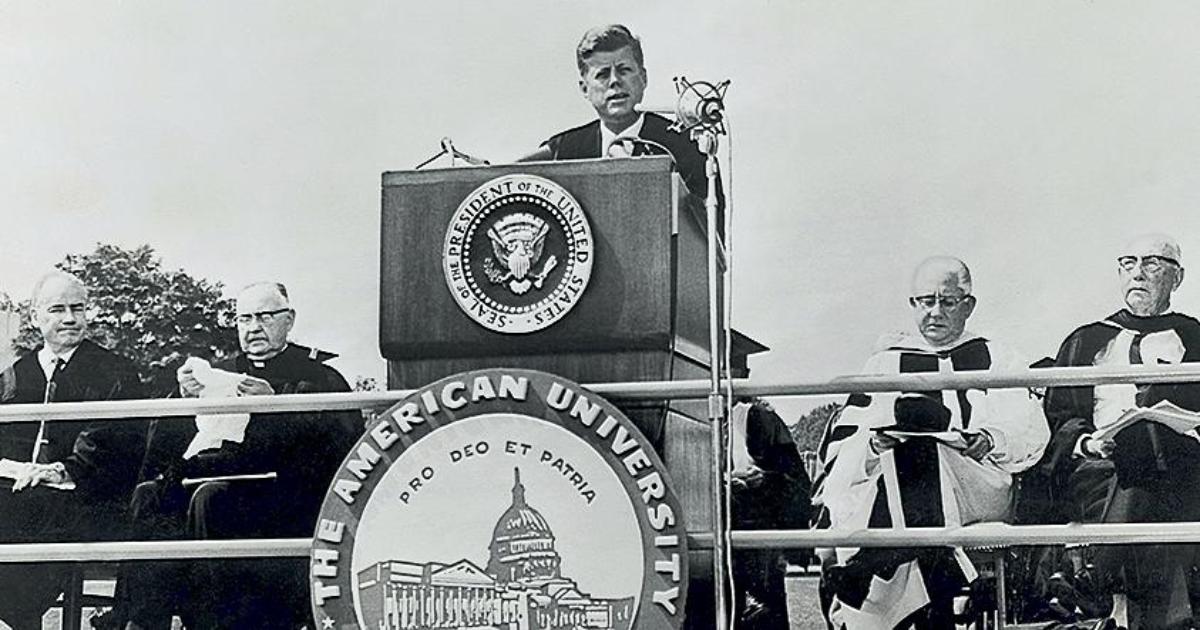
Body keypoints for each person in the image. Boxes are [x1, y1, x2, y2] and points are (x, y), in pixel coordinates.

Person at [813, 256, 1049, 629]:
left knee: (925, 451)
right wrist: (876, 448)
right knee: (914, 449)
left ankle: (876, 564)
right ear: (913, 305)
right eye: (925, 301)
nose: (934, 312)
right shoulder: (883, 365)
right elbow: (846, 444)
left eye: (948, 301)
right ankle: (939, 585)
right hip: (891, 484)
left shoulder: (999, 357)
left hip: (975, 484)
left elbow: (1032, 431)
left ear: (969, 305)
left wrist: (990, 439)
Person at [121, 282, 362, 630]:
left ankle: (213, 623)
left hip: (284, 496)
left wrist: (277, 403)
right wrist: (182, 398)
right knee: (150, 496)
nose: (253, 327)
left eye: (265, 317)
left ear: (289, 320)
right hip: (209, 475)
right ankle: (142, 621)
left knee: (211, 498)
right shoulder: (221, 370)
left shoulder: (319, 375)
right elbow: (167, 443)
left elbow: (339, 447)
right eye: (244, 318)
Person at [1041, 233, 1200, 630]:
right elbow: (1059, 418)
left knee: (1150, 441)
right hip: (1100, 473)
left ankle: (1096, 576)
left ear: (1176, 278)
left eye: (1151, 264)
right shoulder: (1086, 340)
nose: (1138, 274)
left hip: (1185, 471)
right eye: (1128, 263)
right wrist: (1089, 441)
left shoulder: (1196, 338)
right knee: (1135, 446)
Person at [0, 271, 147, 628]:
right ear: (36, 316)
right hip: (19, 492)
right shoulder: (14, 374)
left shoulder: (115, 372)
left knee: (30, 513)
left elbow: (109, 443)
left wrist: (59, 470)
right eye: (58, 309)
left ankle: (17, 616)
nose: (70, 318)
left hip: (87, 499)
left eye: (78, 309)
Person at [518, 24, 722, 217]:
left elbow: (709, 236)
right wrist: (486, 170)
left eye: (624, 70)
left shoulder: (686, 145)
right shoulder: (565, 149)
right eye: (602, 74)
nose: (615, 81)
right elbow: (509, 173)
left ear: (643, 78)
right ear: (584, 89)